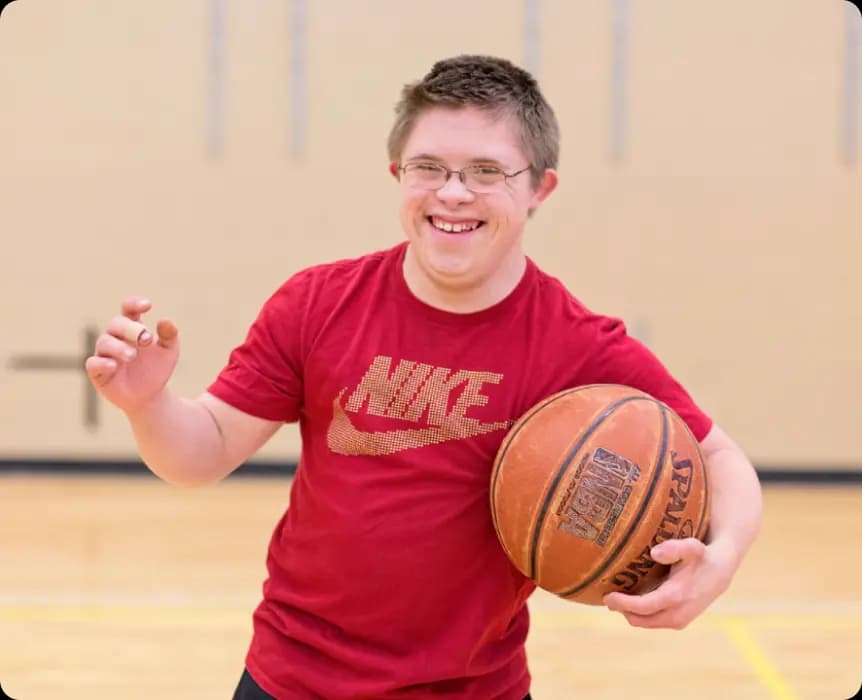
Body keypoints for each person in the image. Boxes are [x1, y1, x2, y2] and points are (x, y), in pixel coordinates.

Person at [84, 55, 763, 699]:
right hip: (292, 678)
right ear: (397, 174)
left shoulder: (576, 345)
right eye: (428, 167)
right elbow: (200, 453)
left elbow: (719, 456)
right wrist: (148, 405)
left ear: (538, 189)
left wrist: (722, 556)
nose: (453, 193)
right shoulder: (318, 302)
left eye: (486, 171)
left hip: (473, 687)